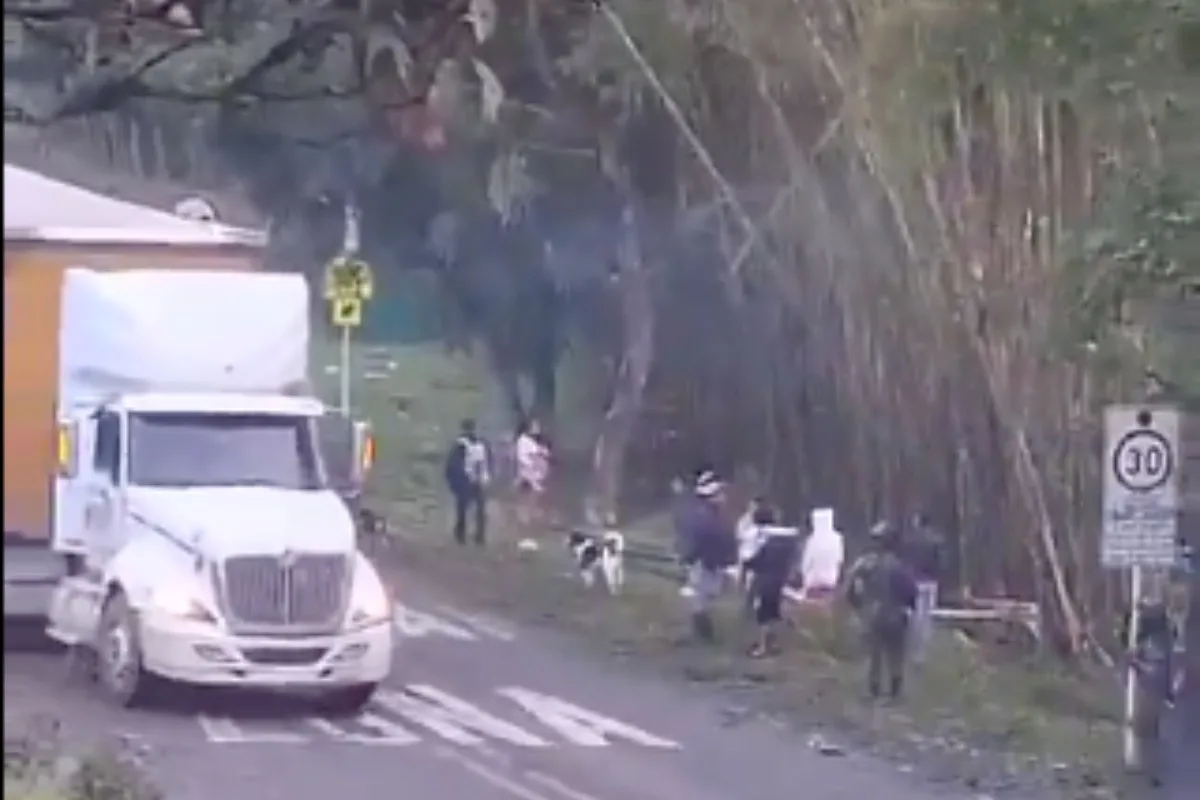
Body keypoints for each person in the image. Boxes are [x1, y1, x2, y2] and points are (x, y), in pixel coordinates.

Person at [845, 520, 918, 700]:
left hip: (873, 612)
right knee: (896, 653)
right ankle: (895, 688)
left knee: (875, 653)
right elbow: (911, 590)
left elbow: (852, 586)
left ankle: (874, 688)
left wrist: (857, 604)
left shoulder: (864, 564)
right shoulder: (900, 565)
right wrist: (909, 607)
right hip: (895, 612)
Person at [679, 471, 738, 642]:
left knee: (700, 598)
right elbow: (703, 541)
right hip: (708, 562)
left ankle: (703, 633)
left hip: (709, 563)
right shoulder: (709, 517)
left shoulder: (708, 515)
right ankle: (703, 633)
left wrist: (688, 557)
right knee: (701, 598)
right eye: (720, 494)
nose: (724, 497)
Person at [742, 504, 800, 657]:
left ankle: (763, 647)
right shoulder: (786, 538)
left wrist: (747, 565)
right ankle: (773, 644)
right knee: (773, 613)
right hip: (780, 578)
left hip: (764, 579)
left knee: (763, 615)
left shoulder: (762, 539)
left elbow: (753, 560)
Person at [905, 511, 945, 662]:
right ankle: (926, 648)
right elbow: (942, 562)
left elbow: (908, 561)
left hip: (917, 580)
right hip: (932, 581)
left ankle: (916, 650)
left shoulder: (912, 540)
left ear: (918, 521)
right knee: (929, 614)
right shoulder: (937, 540)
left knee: (918, 615)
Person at [444, 418, 490, 545]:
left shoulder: (479, 444)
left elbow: (486, 461)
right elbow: (454, 465)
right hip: (466, 480)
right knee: (465, 509)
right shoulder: (461, 445)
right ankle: (463, 535)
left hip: (476, 479)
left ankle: (477, 536)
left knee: (476, 510)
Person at [799, 507, 845, 604]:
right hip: (832, 581)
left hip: (813, 583)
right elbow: (840, 560)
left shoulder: (812, 540)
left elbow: (805, 564)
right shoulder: (838, 539)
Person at [514, 419, 551, 529]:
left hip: (533, 474)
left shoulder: (530, 441)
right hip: (530, 474)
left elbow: (540, 453)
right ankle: (525, 519)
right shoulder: (524, 441)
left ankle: (529, 515)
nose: (538, 428)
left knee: (533, 496)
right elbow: (526, 458)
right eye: (535, 426)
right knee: (531, 495)